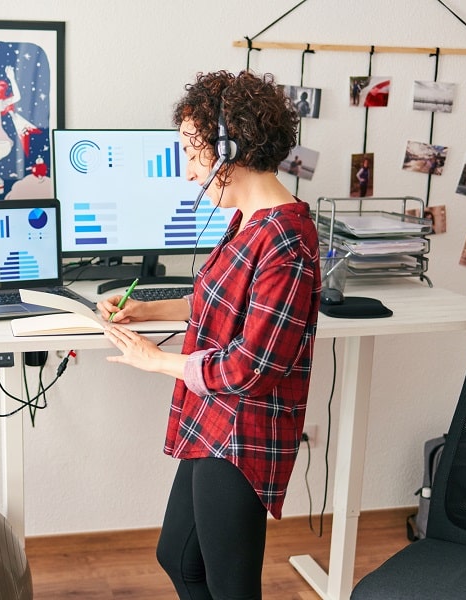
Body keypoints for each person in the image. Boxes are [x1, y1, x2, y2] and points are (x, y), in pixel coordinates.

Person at [97, 70, 321, 600]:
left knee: (229, 585)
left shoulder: (286, 240)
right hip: (212, 417)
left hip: (244, 429)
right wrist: (146, 311)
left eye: (196, 155)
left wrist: (156, 361)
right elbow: (220, 298)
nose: (190, 172)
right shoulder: (246, 220)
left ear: (232, 148)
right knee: (177, 557)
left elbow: (251, 366)